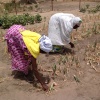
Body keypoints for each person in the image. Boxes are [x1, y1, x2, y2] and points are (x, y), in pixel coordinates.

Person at [5, 25, 53, 91]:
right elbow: (35, 69)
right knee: (20, 57)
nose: (43, 53)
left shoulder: (40, 39)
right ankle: (21, 72)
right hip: (13, 35)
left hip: (18, 29)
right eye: (44, 52)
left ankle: (26, 68)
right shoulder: (34, 50)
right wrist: (43, 84)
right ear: (41, 49)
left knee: (28, 56)